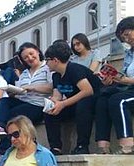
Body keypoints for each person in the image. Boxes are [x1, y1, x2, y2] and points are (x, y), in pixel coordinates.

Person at [0, 42, 53, 160]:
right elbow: (21, 90)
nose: (29, 58)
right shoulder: (25, 73)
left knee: (12, 117)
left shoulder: (48, 68)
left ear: (37, 51)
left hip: (38, 104)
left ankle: (2, 151)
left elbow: (52, 87)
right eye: (25, 57)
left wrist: (32, 87)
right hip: (23, 100)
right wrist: (13, 92)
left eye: (31, 54)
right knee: (3, 101)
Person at [44, 41, 102, 155]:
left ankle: (82, 145)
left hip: (93, 99)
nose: (46, 63)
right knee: (49, 112)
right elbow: (57, 94)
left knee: (82, 105)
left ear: (55, 60)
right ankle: (55, 147)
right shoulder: (56, 75)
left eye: (47, 60)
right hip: (74, 102)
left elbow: (87, 91)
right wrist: (54, 102)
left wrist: (63, 104)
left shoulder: (74, 69)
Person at [94, 17, 134, 154]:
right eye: (124, 38)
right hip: (130, 88)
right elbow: (124, 75)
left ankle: (127, 145)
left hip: (130, 89)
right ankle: (103, 146)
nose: (127, 40)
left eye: (128, 35)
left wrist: (124, 80)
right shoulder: (130, 54)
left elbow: (127, 79)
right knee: (102, 99)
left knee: (119, 101)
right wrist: (112, 78)